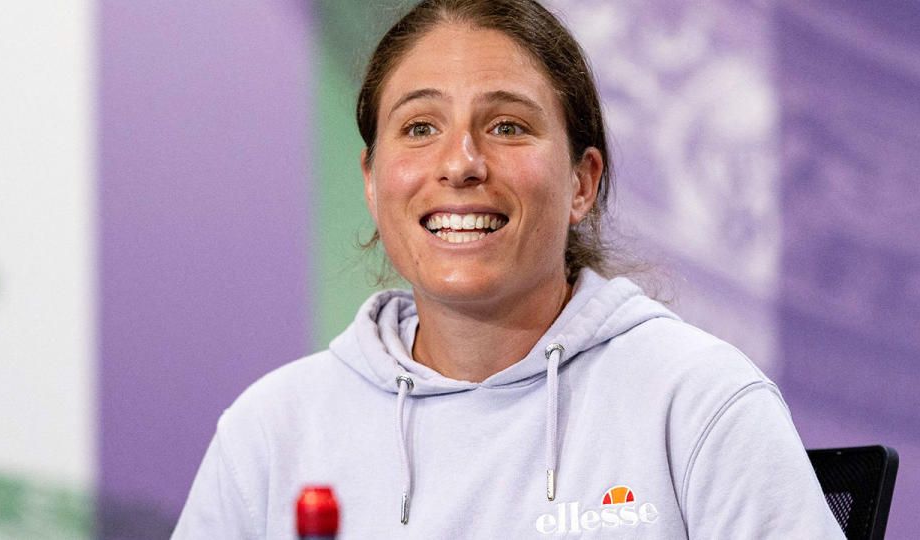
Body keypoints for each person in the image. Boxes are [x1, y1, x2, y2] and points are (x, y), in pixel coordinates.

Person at [174, 0, 845, 538]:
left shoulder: (700, 402)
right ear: (374, 182)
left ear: (583, 184)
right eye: (418, 128)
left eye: (507, 126)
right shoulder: (269, 430)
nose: (461, 161)